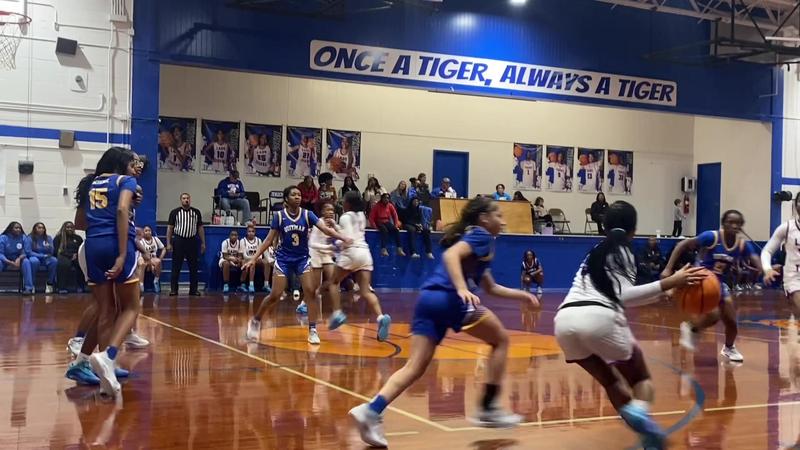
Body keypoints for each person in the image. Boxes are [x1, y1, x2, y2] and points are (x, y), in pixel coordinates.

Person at [349, 197, 540, 447]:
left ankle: (371, 410)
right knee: (501, 339)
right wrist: (461, 287)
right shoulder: (481, 236)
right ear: (484, 218)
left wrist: (523, 295)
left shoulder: (478, 243)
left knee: (414, 367)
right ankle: (488, 407)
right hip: (449, 299)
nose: (503, 221)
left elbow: (490, 287)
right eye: (498, 215)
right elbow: (451, 256)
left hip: (428, 299)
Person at [554, 201, 704, 450]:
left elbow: (624, 293)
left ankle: (647, 435)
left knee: (611, 382)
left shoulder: (596, 251)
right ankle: (639, 414)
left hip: (564, 322)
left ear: (605, 226)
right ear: (633, 229)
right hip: (598, 317)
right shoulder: (623, 249)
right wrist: (670, 282)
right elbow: (624, 296)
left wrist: (665, 291)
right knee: (641, 381)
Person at [244, 185, 352, 345]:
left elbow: (326, 230)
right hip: (283, 259)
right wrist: (254, 258)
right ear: (286, 199)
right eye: (294, 194)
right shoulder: (279, 216)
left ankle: (313, 330)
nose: (298, 197)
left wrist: (342, 237)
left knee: (310, 292)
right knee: (275, 295)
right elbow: (268, 240)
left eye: (299, 195)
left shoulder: (307, 214)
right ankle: (256, 320)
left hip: (302, 259)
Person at [78, 146, 142, 396]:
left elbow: (80, 221)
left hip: (93, 243)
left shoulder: (91, 183)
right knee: (131, 307)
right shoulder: (126, 181)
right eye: (132, 163)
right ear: (121, 164)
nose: (135, 167)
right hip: (116, 242)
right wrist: (123, 253)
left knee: (106, 310)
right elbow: (121, 210)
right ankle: (109, 355)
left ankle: (106, 372)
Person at [662, 210, 762, 363]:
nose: (734, 225)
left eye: (738, 223)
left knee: (731, 322)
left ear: (741, 226)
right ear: (723, 223)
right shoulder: (711, 237)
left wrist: (764, 269)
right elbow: (682, 244)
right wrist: (668, 268)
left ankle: (728, 348)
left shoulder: (742, 245)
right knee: (713, 315)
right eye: (730, 222)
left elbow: (755, 258)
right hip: (701, 276)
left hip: (718, 282)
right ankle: (691, 327)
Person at [326, 192, 392, 340]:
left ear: (348, 203)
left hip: (351, 253)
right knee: (365, 290)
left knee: (333, 282)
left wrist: (334, 240)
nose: (342, 202)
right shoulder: (361, 215)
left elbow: (347, 238)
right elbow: (353, 232)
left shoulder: (344, 216)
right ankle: (381, 317)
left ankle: (337, 313)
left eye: (344, 200)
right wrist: (336, 226)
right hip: (365, 253)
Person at [762, 192, 800, 317]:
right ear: (795, 204)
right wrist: (767, 269)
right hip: (794, 278)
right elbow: (767, 251)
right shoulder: (787, 227)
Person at [166, 193, 206, 296]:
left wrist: (203, 243)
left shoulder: (196, 212)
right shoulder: (174, 212)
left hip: (192, 241)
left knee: (193, 266)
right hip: (179, 240)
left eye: (187, 198)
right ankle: (174, 289)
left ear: (190, 199)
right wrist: (168, 243)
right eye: (184, 198)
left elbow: (200, 228)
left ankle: (193, 290)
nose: (186, 200)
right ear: (181, 200)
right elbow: (170, 228)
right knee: (176, 266)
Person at [306, 202, 337, 316]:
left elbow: (339, 235)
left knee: (334, 279)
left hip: (325, 254)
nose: (330, 212)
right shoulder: (318, 223)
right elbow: (312, 243)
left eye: (332, 210)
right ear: (323, 212)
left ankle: (336, 310)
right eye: (328, 210)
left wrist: (335, 226)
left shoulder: (333, 224)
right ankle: (303, 304)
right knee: (314, 286)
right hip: (315, 253)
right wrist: (328, 247)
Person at [0, 221, 34, 294]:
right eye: (16, 228)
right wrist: (10, 262)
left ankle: (28, 288)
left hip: (18, 258)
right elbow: (0, 254)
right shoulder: (3, 238)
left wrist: (19, 259)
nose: (18, 229)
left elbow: (26, 251)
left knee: (26, 262)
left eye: (19, 228)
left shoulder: (23, 237)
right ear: (11, 229)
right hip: (5, 259)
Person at [369, 193, 405, 257]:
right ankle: (383, 249)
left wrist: (396, 225)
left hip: (387, 221)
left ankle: (399, 249)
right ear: (382, 199)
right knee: (384, 231)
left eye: (388, 198)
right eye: (385, 198)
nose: (386, 199)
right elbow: (371, 217)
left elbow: (395, 215)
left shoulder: (390, 205)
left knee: (396, 230)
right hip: (379, 222)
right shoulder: (377, 206)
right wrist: (374, 227)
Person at [54, 221, 85, 294]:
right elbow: (56, 251)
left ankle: (81, 286)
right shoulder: (58, 238)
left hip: (76, 255)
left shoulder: (78, 238)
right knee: (64, 265)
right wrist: (70, 255)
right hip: (63, 255)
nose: (69, 229)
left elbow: (81, 249)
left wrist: (76, 255)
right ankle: (61, 287)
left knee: (81, 264)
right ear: (64, 228)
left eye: (71, 227)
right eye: (68, 227)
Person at [26, 222, 57, 293]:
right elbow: (28, 252)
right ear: (35, 229)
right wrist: (42, 255)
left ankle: (49, 283)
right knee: (34, 262)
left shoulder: (48, 238)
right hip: (34, 256)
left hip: (46, 257)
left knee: (54, 261)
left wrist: (49, 247)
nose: (41, 229)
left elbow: (51, 252)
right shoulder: (30, 238)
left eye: (43, 228)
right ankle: (32, 284)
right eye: (39, 228)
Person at [136, 225, 165, 293]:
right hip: (143, 258)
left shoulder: (155, 239)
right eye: (146, 231)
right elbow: (142, 254)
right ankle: (141, 285)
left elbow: (164, 249)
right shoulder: (141, 241)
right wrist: (149, 264)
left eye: (149, 230)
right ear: (143, 233)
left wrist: (160, 258)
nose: (148, 232)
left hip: (152, 258)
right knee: (142, 264)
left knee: (158, 262)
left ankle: (156, 281)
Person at [241, 224, 266, 293]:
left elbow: (260, 253)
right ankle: (251, 285)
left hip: (256, 259)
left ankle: (266, 284)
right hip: (247, 259)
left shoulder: (258, 240)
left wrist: (257, 258)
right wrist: (253, 259)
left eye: (252, 231)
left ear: (255, 232)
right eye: (249, 231)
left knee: (266, 263)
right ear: (247, 232)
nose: (251, 233)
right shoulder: (243, 241)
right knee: (252, 263)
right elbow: (244, 255)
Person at [220, 229, 243, 293]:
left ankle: (242, 285)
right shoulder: (225, 242)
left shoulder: (239, 243)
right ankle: (226, 284)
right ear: (229, 236)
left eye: (235, 235)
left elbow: (240, 255)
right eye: (232, 235)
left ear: (237, 236)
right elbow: (225, 256)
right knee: (226, 264)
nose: (234, 236)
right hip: (225, 259)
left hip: (235, 260)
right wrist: (232, 260)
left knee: (244, 263)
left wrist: (239, 260)